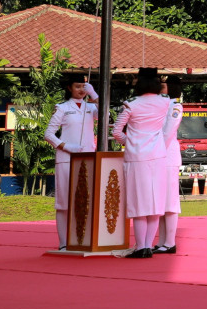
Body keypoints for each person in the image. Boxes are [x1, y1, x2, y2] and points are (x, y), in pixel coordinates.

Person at [111, 68, 172, 258]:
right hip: (158, 156)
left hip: (136, 156)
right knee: (155, 204)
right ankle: (147, 245)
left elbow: (116, 132)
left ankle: (140, 247)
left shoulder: (131, 104)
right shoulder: (165, 102)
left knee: (138, 204)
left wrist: (129, 141)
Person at [43, 73, 98, 250]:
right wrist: (66, 146)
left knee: (86, 200)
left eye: (83, 87)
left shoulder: (91, 107)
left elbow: (107, 115)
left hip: (88, 157)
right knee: (64, 202)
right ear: (69, 88)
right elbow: (48, 134)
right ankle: (63, 243)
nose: (81, 90)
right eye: (77, 86)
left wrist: (95, 95)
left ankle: (83, 239)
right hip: (67, 158)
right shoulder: (62, 108)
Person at [153, 78, 184, 254]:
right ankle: (162, 241)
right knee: (162, 202)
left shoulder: (175, 107)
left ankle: (170, 242)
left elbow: (167, 133)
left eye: (163, 86)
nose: (159, 88)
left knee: (170, 201)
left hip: (167, 156)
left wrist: (155, 152)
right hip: (160, 155)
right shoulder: (162, 106)